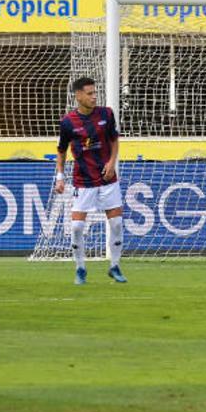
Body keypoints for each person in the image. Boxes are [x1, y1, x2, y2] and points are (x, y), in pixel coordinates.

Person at [54, 77, 127, 285]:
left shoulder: (106, 114)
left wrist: (112, 162)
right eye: (89, 93)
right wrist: (60, 177)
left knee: (116, 223)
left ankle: (114, 266)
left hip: (107, 180)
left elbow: (114, 141)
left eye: (95, 92)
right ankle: (80, 269)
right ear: (78, 96)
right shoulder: (68, 122)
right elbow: (61, 151)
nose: (94, 96)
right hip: (83, 181)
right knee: (77, 227)